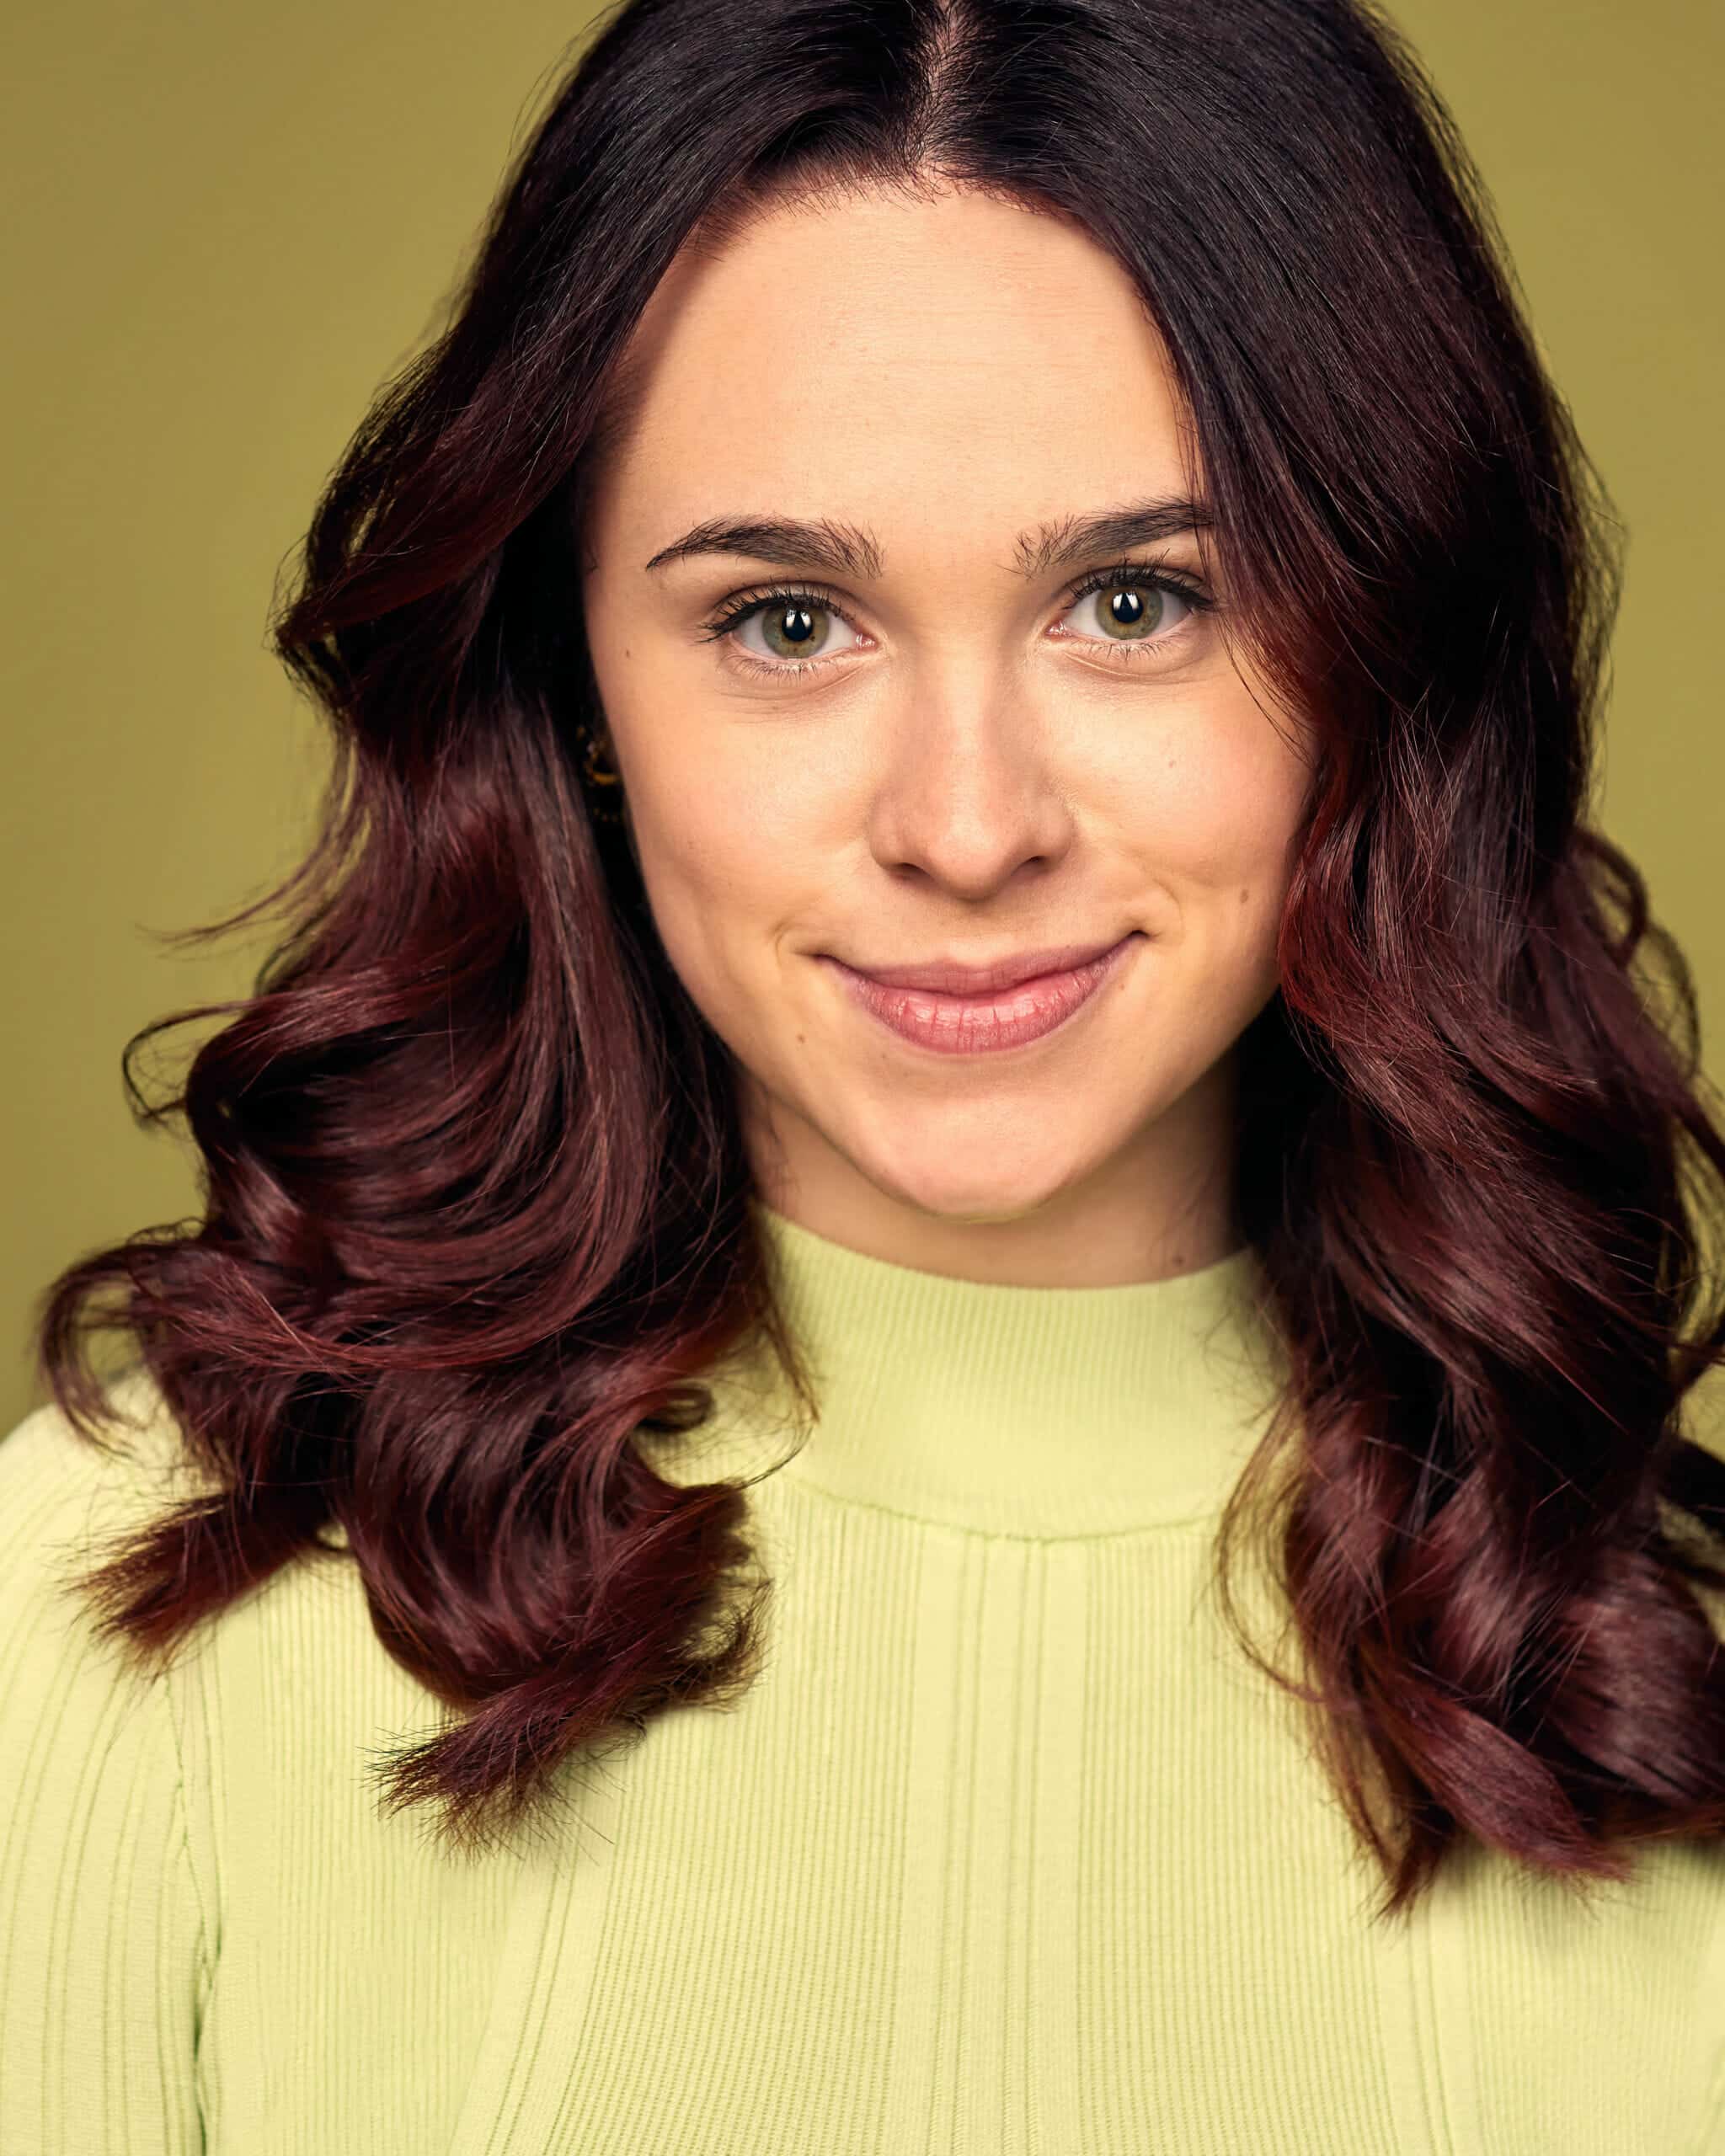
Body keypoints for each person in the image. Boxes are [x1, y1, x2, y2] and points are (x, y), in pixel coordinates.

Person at [4, 0, 1724, 2148]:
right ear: (576, 691)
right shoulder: (124, 1615)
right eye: (787, 623)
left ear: (1383, 651)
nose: (968, 822)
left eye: (1137, 597)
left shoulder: (1672, 1708)